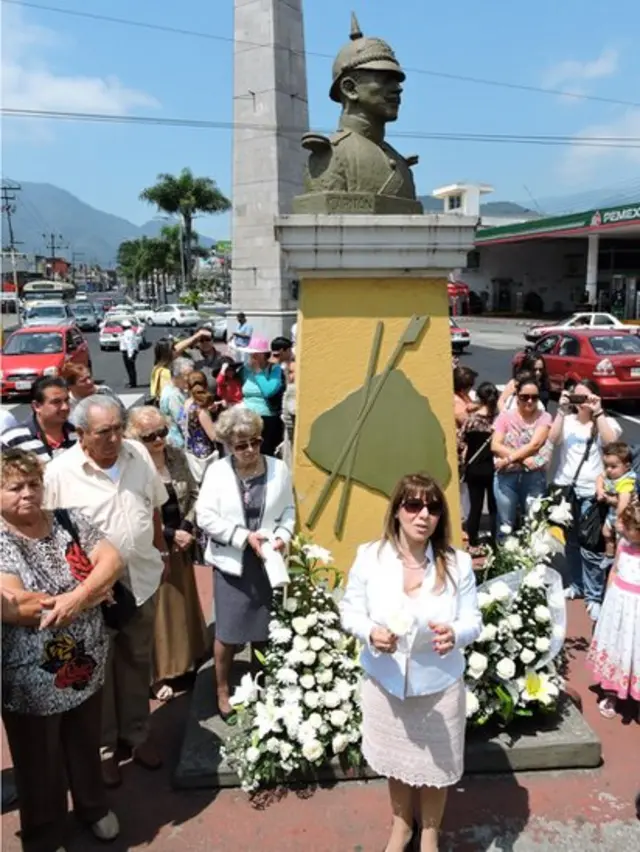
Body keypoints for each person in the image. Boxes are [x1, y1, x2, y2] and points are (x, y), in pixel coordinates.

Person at [339, 473, 482, 852]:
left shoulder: (458, 564)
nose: (423, 515)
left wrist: (455, 633)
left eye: (433, 508)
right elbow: (349, 610)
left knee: (436, 771)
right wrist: (370, 632)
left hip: (438, 684)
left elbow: (473, 621)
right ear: (397, 511)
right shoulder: (370, 557)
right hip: (385, 682)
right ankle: (401, 826)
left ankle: (430, 834)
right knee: (397, 763)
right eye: (413, 505)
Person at [42, 395, 169, 788]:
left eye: (118, 428)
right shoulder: (59, 472)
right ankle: (104, 749)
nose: (115, 438)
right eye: (103, 432)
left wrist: (159, 550)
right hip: (94, 593)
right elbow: (49, 537)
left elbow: (154, 508)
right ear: (81, 434)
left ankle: (137, 733)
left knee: (136, 662)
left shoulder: (137, 454)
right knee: (96, 672)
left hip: (142, 580)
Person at [1, 448, 124, 849]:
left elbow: (111, 559)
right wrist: (89, 593)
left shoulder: (67, 519)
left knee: (85, 744)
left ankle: (92, 807)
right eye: (14, 487)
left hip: (86, 662)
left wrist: (77, 597)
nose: (27, 494)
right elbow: (19, 608)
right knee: (39, 763)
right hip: (29, 678)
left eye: (33, 484)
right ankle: (44, 833)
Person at [196, 407, 295, 722]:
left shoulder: (279, 468)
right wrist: (242, 537)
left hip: (268, 563)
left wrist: (282, 535)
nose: (250, 450)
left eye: (254, 442)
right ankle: (222, 689)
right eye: (241, 446)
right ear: (227, 446)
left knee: (264, 630)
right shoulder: (217, 472)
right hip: (233, 564)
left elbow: (289, 510)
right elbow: (205, 516)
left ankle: (261, 683)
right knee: (228, 632)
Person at [127, 408, 208, 701]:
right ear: (135, 436)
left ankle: (187, 659)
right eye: (150, 436)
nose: (159, 439)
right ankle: (158, 673)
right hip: (153, 547)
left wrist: (186, 527)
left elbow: (197, 494)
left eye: (162, 432)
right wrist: (171, 535)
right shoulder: (133, 464)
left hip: (181, 543)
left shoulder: (176, 455)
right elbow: (136, 510)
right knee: (157, 612)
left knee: (183, 603)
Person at [551, 380, 621, 619]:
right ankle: (577, 585)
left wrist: (598, 411)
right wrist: (561, 410)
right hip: (566, 488)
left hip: (592, 491)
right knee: (570, 541)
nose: (581, 403)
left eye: (586, 398)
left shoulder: (605, 422)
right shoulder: (568, 421)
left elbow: (612, 443)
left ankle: (594, 594)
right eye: (577, 398)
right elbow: (553, 439)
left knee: (590, 545)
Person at [586, 500, 640, 719]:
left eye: (628, 528)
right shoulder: (624, 544)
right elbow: (615, 571)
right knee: (616, 646)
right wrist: (608, 599)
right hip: (618, 606)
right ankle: (612, 692)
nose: (622, 529)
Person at [492, 375, 552, 537]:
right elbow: (495, 445)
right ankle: (506, 560)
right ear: (517, 397)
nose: (529, 401)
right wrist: (524, 458)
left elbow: (535, 444)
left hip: (533, 476)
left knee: (533, 522)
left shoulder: (544, 417)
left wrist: (509, 458)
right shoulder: (505, 417)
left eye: (534, 397)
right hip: (506, 476)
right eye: (524, 397)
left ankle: (531, 560)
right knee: (506, 524)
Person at [459, 381, 499, 554]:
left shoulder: (471, 421)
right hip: (494, 468)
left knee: (475, 507)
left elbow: (460, 443)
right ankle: (496, 539)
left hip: (474, 468)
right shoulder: (499, 420)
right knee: (494, 506)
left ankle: (473, 542)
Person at [1, 376, 77, 462]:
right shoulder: (12, 439)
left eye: (66, 400)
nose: (65, 407)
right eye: (56, 402)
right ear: (36, 406)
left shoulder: (80, 435)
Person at [239, 335, 285, 456]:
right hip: (247, 416)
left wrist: (258, 372)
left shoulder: (275, 369)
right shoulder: (245, 370)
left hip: (266, 418)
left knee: (264, 451)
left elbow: (269, 391)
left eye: (255, 354)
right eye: (251, 354)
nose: (252, 357)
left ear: (263, 354)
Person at [597, 442, 637, 560]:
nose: (609, 470)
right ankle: (609, 555)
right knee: (606, 533)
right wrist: (600, 490)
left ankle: (619, 559)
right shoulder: (609, 474)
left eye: (613, 467)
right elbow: (599, 478)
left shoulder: (626, 481)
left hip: (623, 515)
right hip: (612, 513)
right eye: (606, 466)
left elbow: (623, 503)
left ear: (627, 466)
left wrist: (619, 520)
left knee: (621, 539)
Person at [183, 370, 220, 482]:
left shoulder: (187, 403)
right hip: (205, 455)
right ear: (206, 385)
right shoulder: (200, 410)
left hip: (191, 449)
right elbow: (213, 436)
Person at [159, 356, 193, 449]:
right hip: (179, 443)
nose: (191, 378)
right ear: (177, 376)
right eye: (188, 375)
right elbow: (182, 421)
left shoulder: (176, 390)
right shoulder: (173, 395)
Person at [149, 338, 175, 403]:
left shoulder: (156, 368)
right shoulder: (165, 372)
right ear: (167, 353)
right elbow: (168, 393)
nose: (175, 350)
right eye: (173, 349)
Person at [119, 320, 138, 388]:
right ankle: (132, 382)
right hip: (131, 352)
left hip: (128, 352)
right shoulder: (130, 332)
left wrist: (130, 355)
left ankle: (132, 383)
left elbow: (129, 344)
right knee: (131, 368)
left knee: (130, 368)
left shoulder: (127, 333)